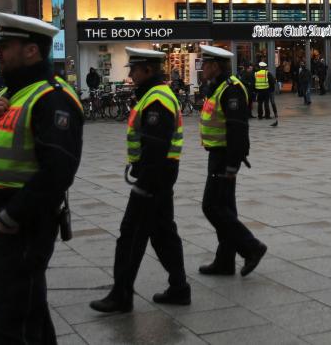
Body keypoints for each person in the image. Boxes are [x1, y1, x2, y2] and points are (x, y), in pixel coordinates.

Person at [0, 12, 84, 344]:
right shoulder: (9, 93)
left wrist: (13, 215)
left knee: (13, 325)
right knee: (31, 310)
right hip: (3, 218)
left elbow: (58, 170)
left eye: (6, 46)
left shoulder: (52, 98)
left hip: (24, 223)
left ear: (31, 51)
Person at [90, 48, 189, 313]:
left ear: (147, 70)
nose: (131, 74)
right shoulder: (154, 95)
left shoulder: (156, 99)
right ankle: (179, 288)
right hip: (159, 177)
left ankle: (122, 295)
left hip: (153, 179)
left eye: (134, 69)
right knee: (163, 234)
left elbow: (156, 145)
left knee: (130, 235)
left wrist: (144, 183)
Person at [196, 45, 267, 277]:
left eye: (205, 64)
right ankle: (225, 261)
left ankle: (251, 247)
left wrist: (232, 163)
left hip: (224, 156)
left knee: (212, 206)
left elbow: (238, 129)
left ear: (215, 66)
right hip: (217, 154)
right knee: (225, 208)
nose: (202, 67)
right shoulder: (216, 87)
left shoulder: (231, 89)